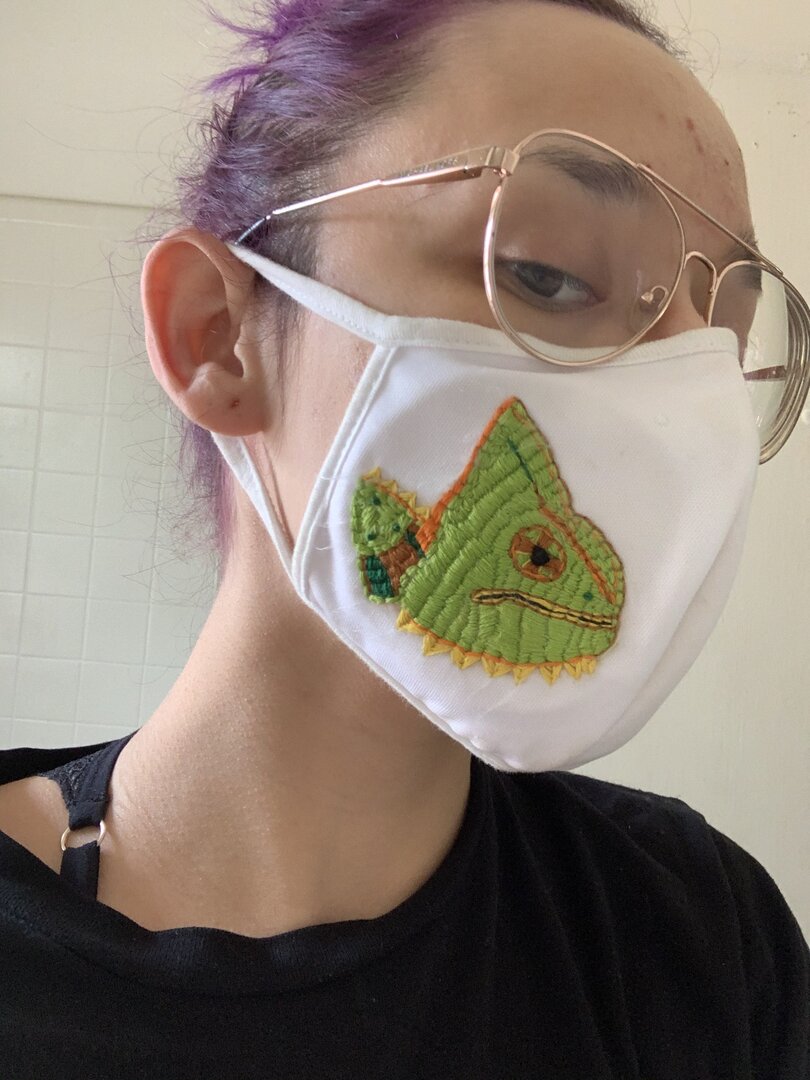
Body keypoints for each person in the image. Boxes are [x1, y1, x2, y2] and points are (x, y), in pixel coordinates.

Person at [0, 0, 808, 1076]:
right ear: (216, 336)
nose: (674, 407)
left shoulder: (701, 938)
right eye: (547, 273)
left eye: (721, 347)